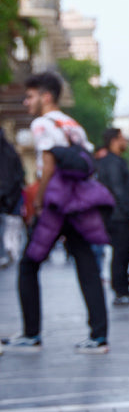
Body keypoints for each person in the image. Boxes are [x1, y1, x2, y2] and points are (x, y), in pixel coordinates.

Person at [3, 71, 112, 352]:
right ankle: (99, 335)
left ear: (46, 96)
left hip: (55, 203)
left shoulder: (42, 124)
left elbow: (49, 164)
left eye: (30, 96)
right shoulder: (71, 124)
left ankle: (31, 333)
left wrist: (38, 200)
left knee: (29, 264)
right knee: (87, 264)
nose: (26, 103)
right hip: (76, 204)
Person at [96, 127, 129, 304]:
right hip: (119, 216)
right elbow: (118, 189)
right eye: (122, 138)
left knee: (120, 253)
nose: (125, 141)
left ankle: (121, 289)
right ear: (114, 140)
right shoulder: (114, 163)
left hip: (113, 214)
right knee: (122, 253)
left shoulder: (109, 161)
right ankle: (121, 290)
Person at [0, 123, 26, 267]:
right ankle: (8, 252)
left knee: (8, 229)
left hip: (7, 201)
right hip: (8, 201)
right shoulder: (10, 151)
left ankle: (7, 252)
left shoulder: (7, 152)